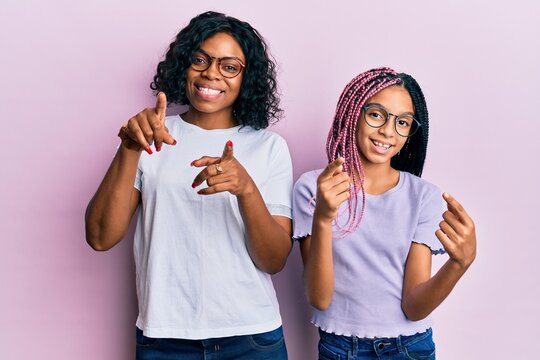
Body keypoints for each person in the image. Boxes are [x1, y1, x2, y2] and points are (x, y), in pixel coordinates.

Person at [85, 11, 292, 360]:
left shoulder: (269, 147)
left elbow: (273, 260)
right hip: (164, 338)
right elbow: (100, 237)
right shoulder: (151, 134)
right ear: (184, 64)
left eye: (229, 66)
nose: (211, 72)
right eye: (200, 59)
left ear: (247, 79)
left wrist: (246, 190)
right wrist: (130, 148)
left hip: (251, 336)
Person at [292, 67, 476, 359]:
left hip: (410, 347)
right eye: (377, 114)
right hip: (341, 348)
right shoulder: (313, 187)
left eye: (403, 122)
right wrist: (324, 218)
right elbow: (319, 298)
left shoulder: (423, 196)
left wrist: (459, 264)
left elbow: (414, 307)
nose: (388, 131)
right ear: (352, 113)